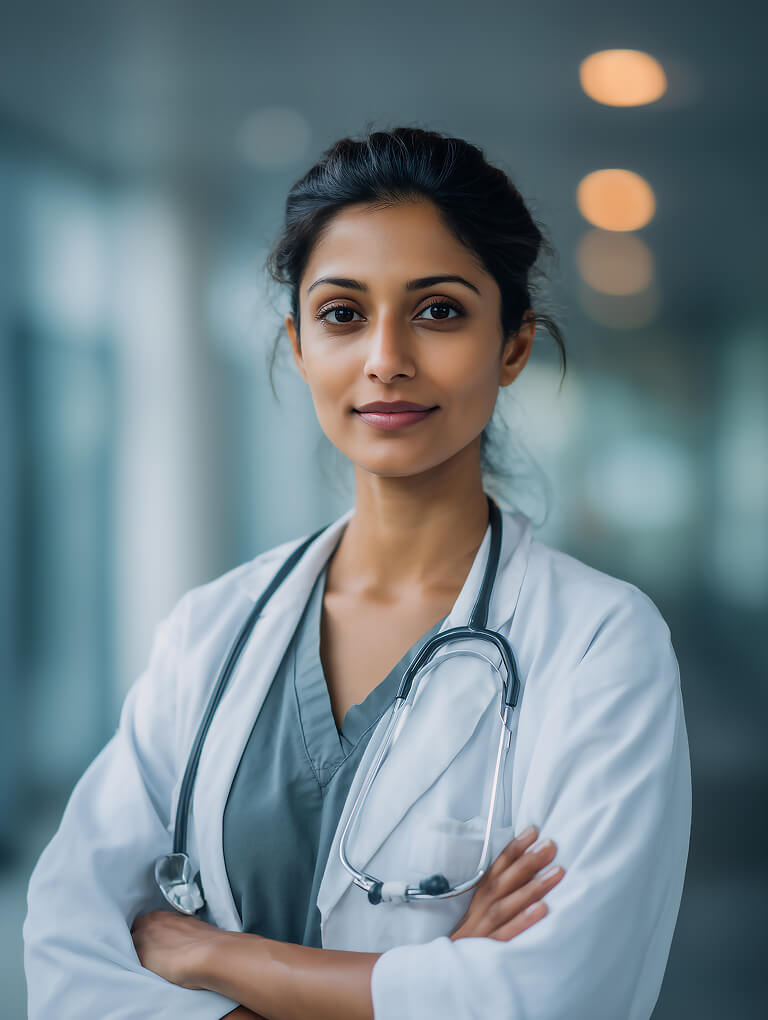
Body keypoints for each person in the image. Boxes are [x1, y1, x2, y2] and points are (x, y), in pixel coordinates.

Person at [23, 125, 691, 1020]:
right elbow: (69, 956)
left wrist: (225, 959)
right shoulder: (212, 630)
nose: (386, 359)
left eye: (439, 310)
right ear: (300, 345)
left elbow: (556, 994)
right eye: (343, 313)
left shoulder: (601, 644)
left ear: (514, 346)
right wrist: (440, 975)